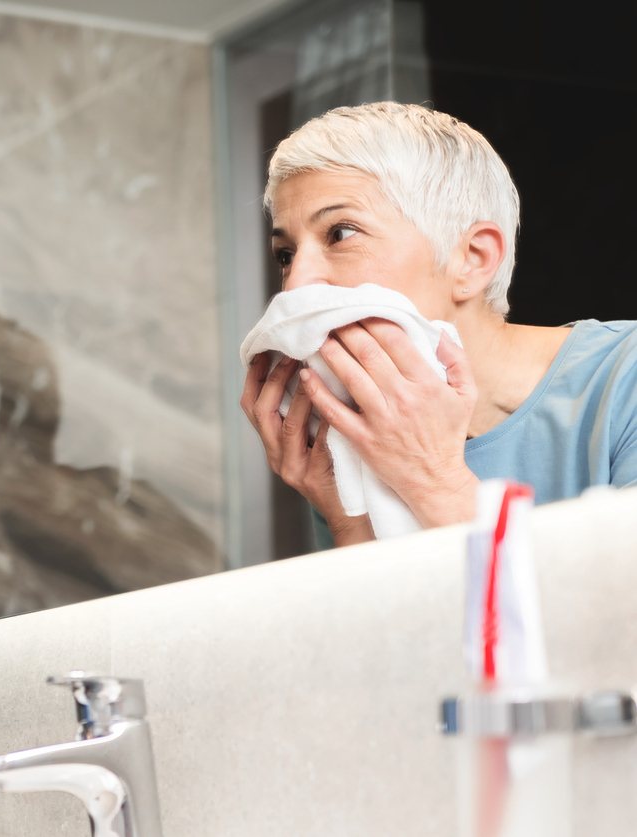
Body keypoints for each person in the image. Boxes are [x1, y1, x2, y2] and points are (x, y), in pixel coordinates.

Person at [242, 102, 637, 548]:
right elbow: (400, 616)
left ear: (472, 260)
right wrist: (346, 513)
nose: (295, 286)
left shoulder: (626, 379)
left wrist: (434, 477)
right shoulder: (356, 438)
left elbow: (611, 613)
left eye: (341, 233)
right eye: (286, 255)